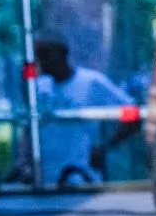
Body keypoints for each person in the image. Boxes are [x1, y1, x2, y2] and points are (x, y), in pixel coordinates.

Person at [33, 37, 135, 187]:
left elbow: (132, 113)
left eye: (47, 55)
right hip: (45, 177)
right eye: (39, 56)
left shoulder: (91, 82)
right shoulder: (40, 87)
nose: (43, 61)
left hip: (82, 175)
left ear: (62, 55)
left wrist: (105, 147)